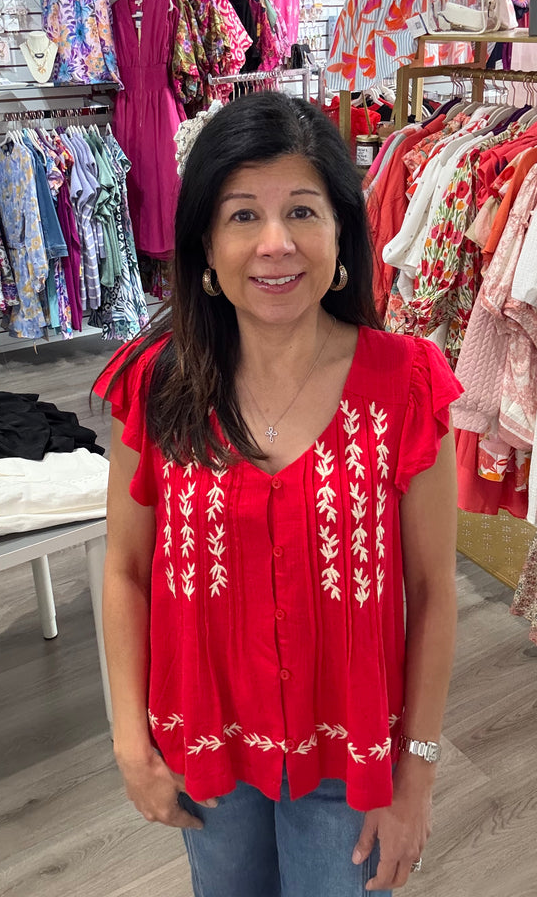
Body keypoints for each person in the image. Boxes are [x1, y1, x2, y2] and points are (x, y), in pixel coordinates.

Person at [94, 91, 462, 896]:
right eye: (241, 216)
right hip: (206, 753)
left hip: (352, 760)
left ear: (341, 234)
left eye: (302, 210)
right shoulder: (157, 386)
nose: (274, 244)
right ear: (204, 244)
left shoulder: (405, 385)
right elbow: (124, 568)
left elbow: (435, 591)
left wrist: (419, 774)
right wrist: (130, 739)